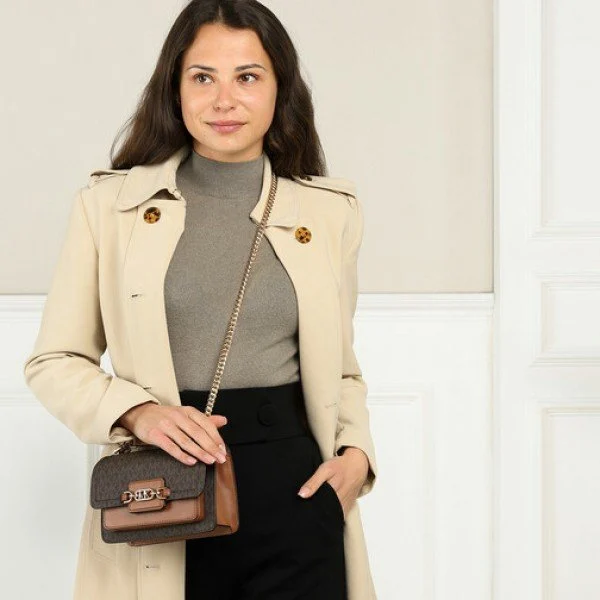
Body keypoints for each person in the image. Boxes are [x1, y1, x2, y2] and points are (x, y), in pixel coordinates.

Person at [23, 1, 378, 599]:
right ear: (176, 88)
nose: (224, 100)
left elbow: (341, 368)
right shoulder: (110, 209)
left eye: (247, 77)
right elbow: (54, 362)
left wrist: (357, 455)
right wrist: (139, 413)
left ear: (279, 88)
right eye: (203, 77)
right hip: (164, 489)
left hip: (298, 496)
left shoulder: (328, 213)